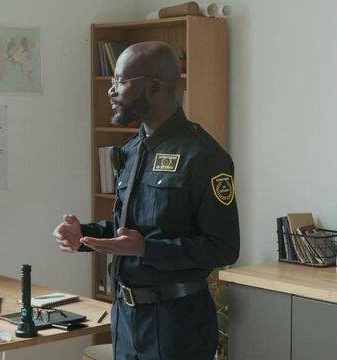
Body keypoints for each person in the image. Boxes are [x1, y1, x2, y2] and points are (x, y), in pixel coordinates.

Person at [53, 41, 239, 360]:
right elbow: (129, 228)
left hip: (178, 326)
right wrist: (83, 235)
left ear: (154, 86)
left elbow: (224, 247)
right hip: (127, 320)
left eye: (121, 82)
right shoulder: (133, 148)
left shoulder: (203, 156)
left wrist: (146, 249)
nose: (111, 91)